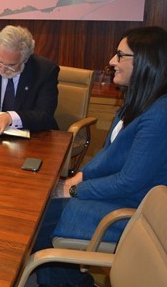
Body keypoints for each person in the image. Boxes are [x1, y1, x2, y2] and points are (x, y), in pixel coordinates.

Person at [33, 26, 167, 286]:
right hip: (115, 197)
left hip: (130, 210)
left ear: (145, 62)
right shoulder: (136, 102)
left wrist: (75, 190)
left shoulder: (159, 114)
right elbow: (109, 156)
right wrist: (79, 176)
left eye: (120, 55)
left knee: (40, 219)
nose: (111, 62)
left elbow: (130, 181)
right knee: (41, 204)